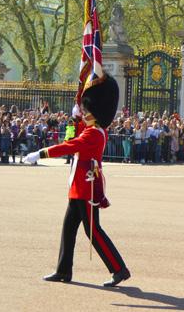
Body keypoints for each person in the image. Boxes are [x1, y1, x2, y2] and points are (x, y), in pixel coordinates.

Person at [24, 74, 130, 287]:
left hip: (87, 187)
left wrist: (41, 153)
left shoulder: (94, 134)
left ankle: (119, 269)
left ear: (95, 112)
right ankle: (63, 270)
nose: (84, 113)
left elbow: (68, 147)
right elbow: (73, 135)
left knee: (93, 231)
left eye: (87, 110)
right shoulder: (94, 129)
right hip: (79, 186)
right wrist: (76, 113)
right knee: (68, 228)